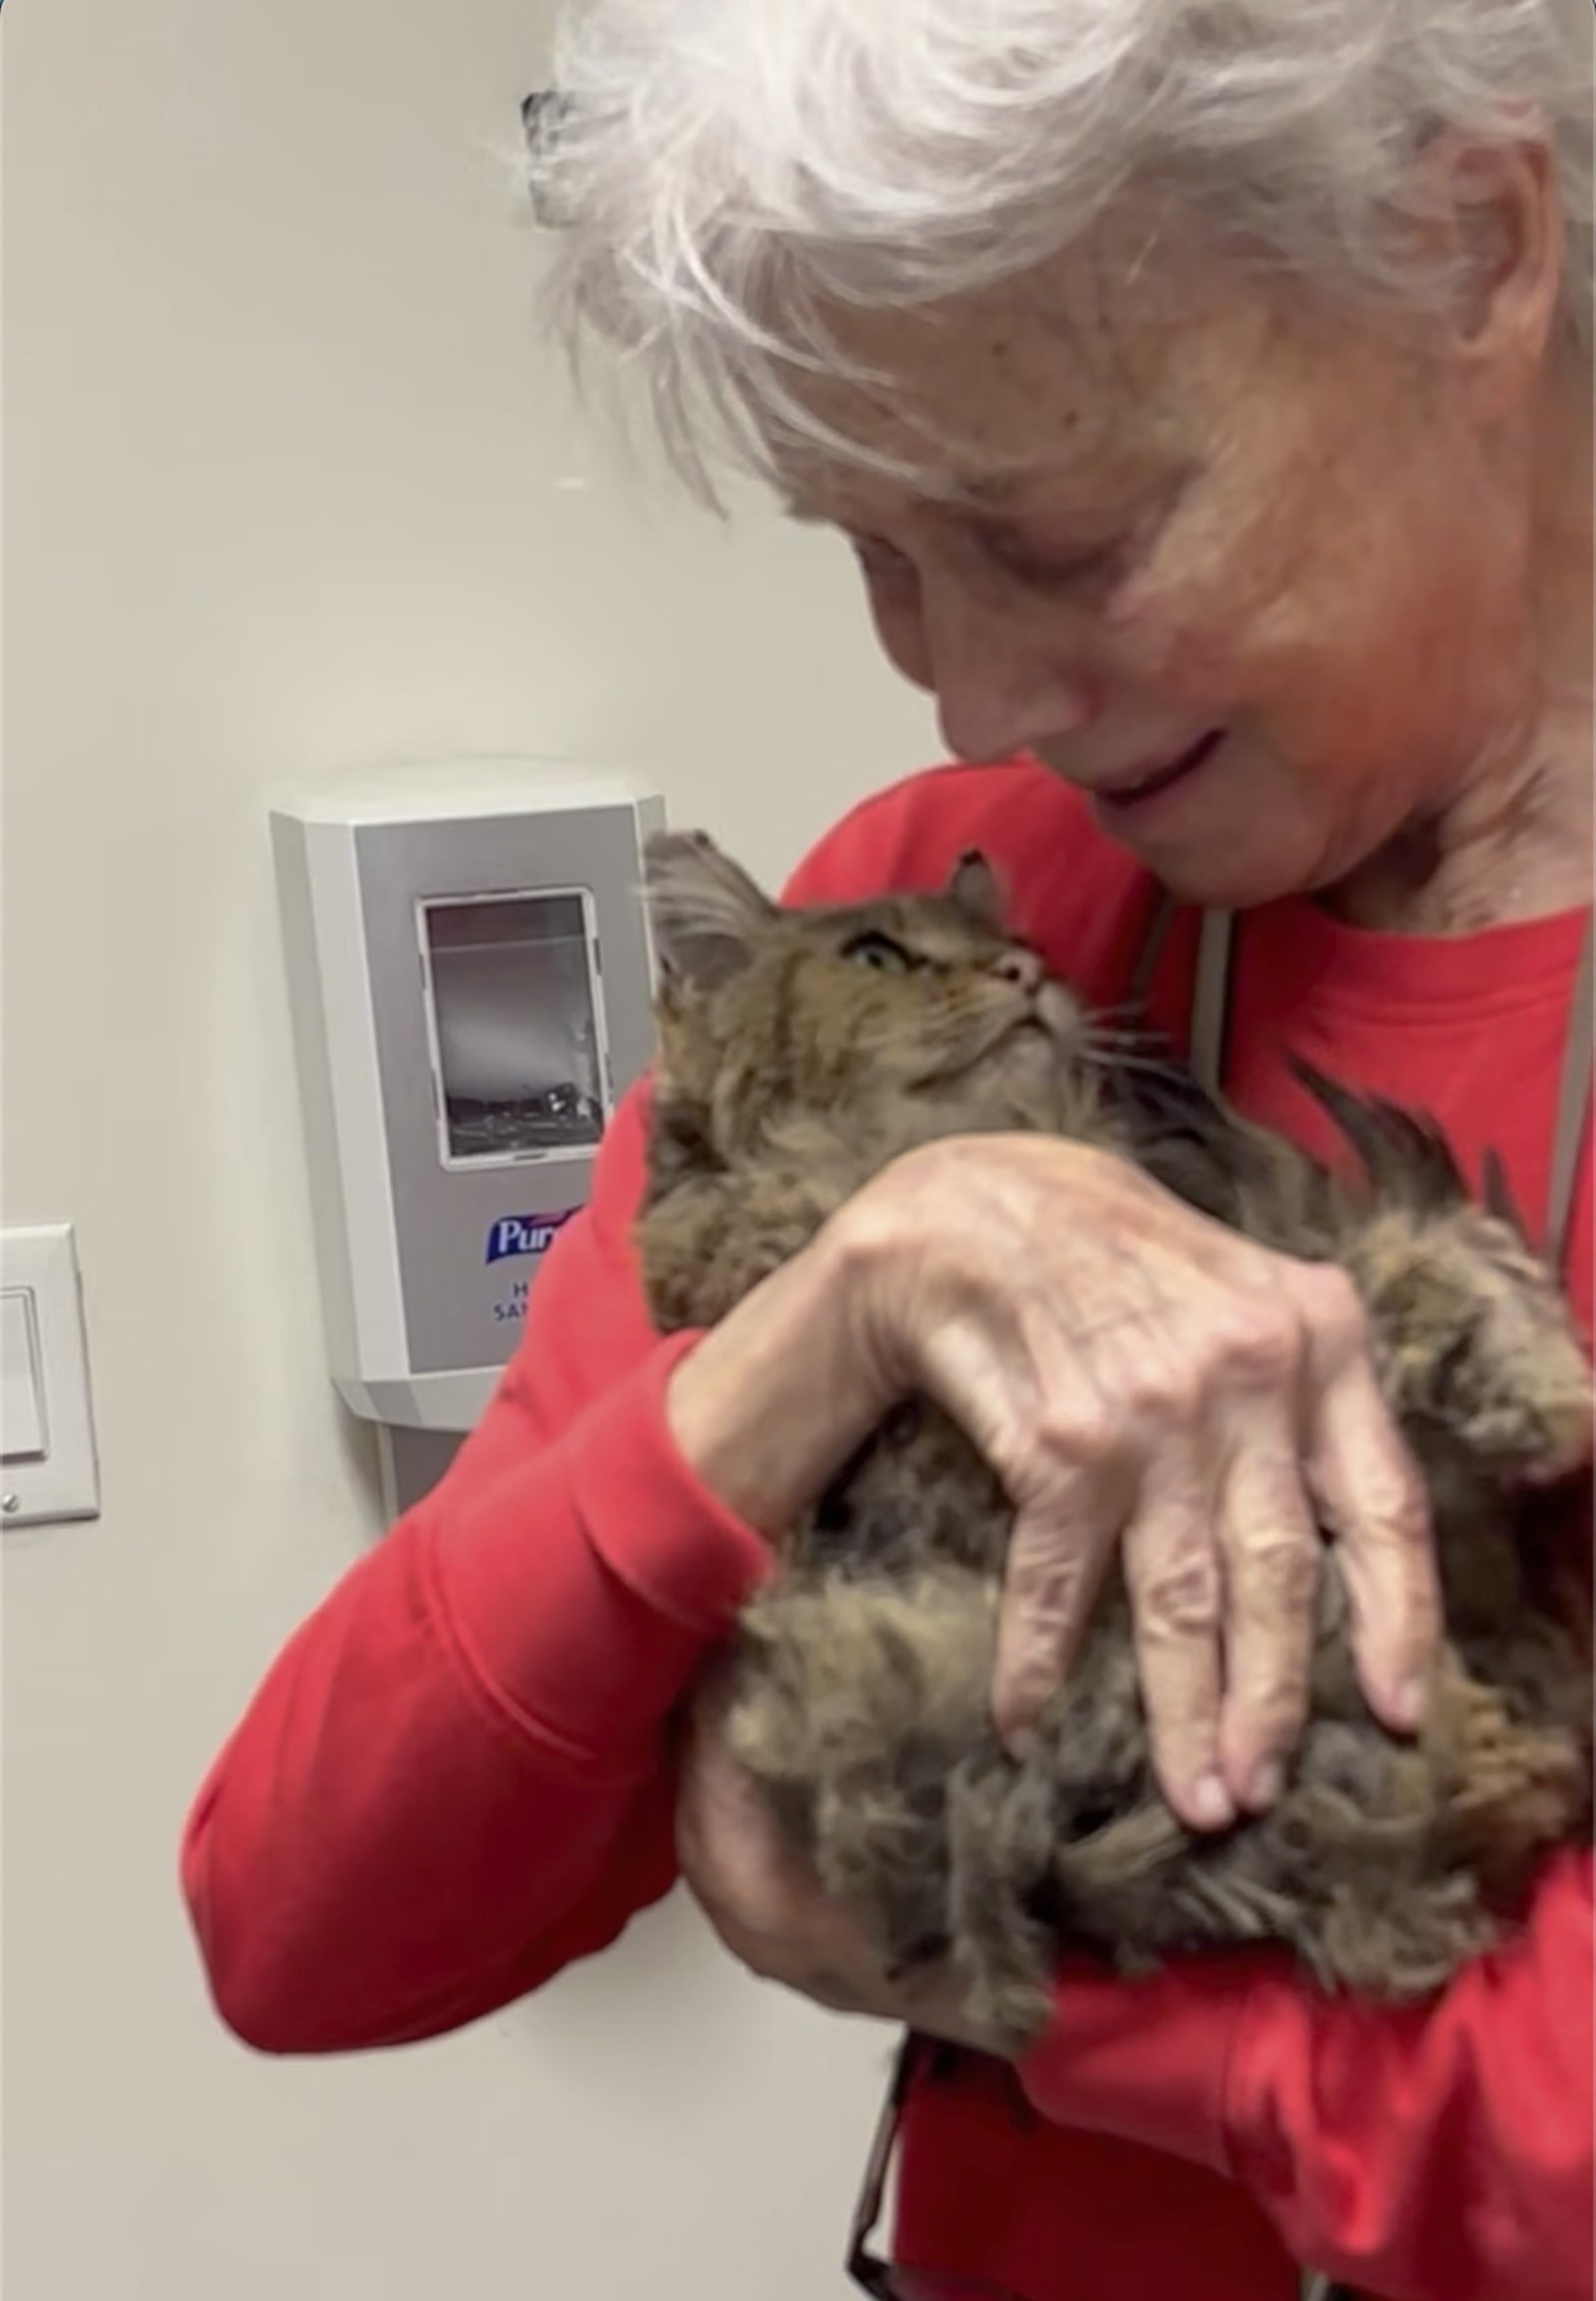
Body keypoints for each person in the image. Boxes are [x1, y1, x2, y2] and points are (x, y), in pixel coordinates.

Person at [183, 2, 1595, 2294]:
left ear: (1467, 252)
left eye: (1063, 531)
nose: (968, 696)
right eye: (869, 548)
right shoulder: (954, 929)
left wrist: (1055, 1991)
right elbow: (302, 1909)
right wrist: (818, 1325)